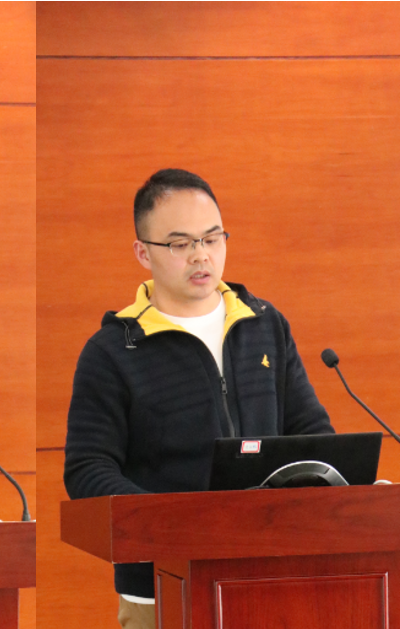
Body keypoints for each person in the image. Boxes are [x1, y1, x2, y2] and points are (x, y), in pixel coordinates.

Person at [63, 169, 334, 629]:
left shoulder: (264, 324)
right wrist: (173, 523)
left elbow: (311, 436)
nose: (200, 255)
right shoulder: (113, 351)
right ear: (143, 253)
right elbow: (87, 469)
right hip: (163, 586)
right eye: (180, 244)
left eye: (211, 238)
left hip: (269, 575)